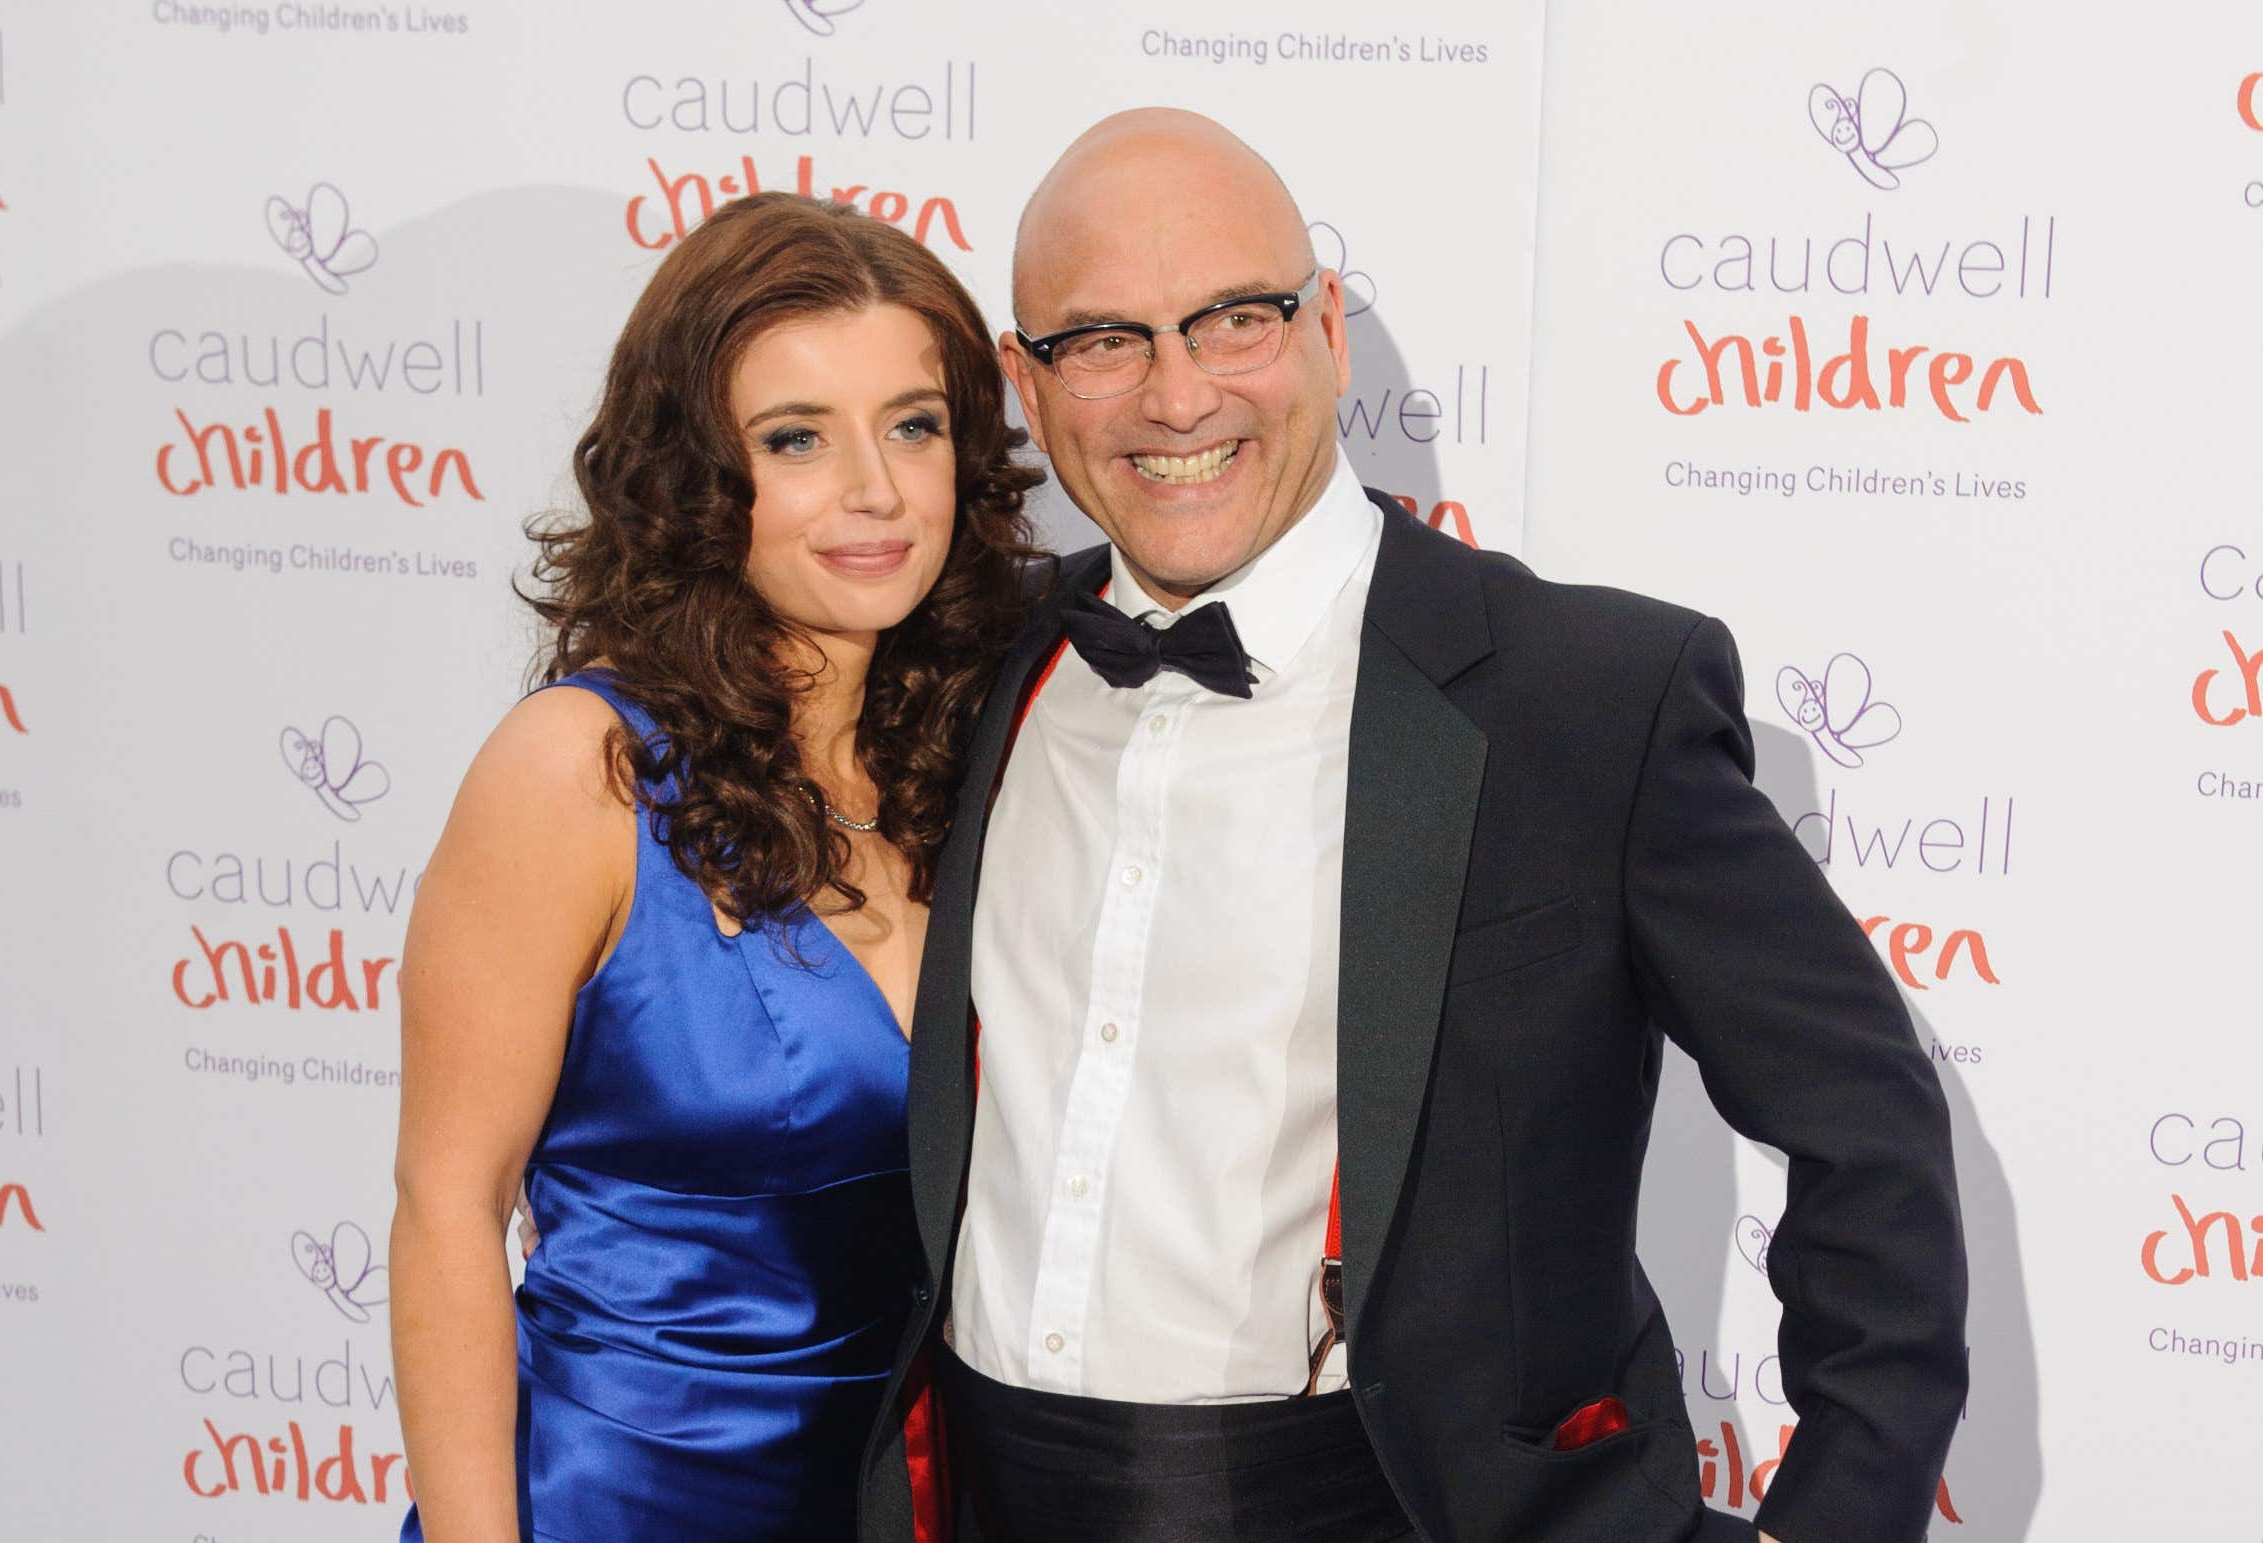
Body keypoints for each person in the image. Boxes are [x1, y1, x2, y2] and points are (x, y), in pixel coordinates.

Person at [854, 111, 1969, 1543]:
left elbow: (1865, 1125)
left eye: (1232, 319)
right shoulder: (970, 664)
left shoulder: (1585, 698)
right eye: (1104, 340)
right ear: (1028, 379)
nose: (1177, 397)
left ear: (1323, 323)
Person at [388, 191, 1042, 1542]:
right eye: (795, 439)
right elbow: (448, 1209)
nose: (874, 490)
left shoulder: (985, 752)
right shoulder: (581, 771)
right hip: (621, 1507)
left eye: (913, 425)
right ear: (695, 475)